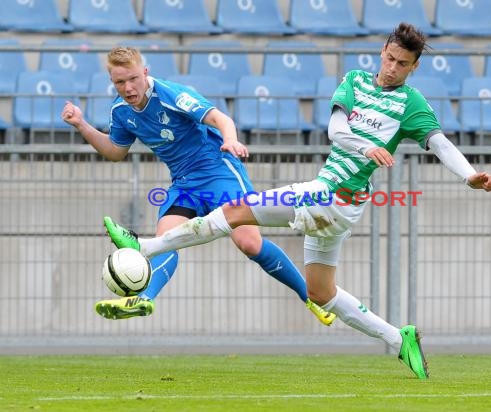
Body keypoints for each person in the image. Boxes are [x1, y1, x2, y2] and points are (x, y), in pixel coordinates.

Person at [103, 23, 491, 379]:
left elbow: (439, 142)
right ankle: (398, 339)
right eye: (390, 58)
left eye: (403, 64)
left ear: (413, 68)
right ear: (383, 52)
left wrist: (468, 176)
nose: (393, 67)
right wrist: (368, 145)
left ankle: (145, 247)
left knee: (235, 212)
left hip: (329, 196)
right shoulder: (355, 81)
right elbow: (337, 130)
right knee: (321, 292)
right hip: (338, 205)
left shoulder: (411, 104)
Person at [61, 46, 335, 326]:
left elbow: (219, 118)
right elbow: (115, 152)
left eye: (133, 79)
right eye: (120, 82)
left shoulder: (170, 95)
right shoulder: (121, 112)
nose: (129, 87)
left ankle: (310, 296)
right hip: (184, 183)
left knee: (249, 243)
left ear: (145, 72)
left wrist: (230, 139)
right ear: (112, 82)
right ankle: (143, 299)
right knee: (162, 241)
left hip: (219, 171)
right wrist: (81, 124)